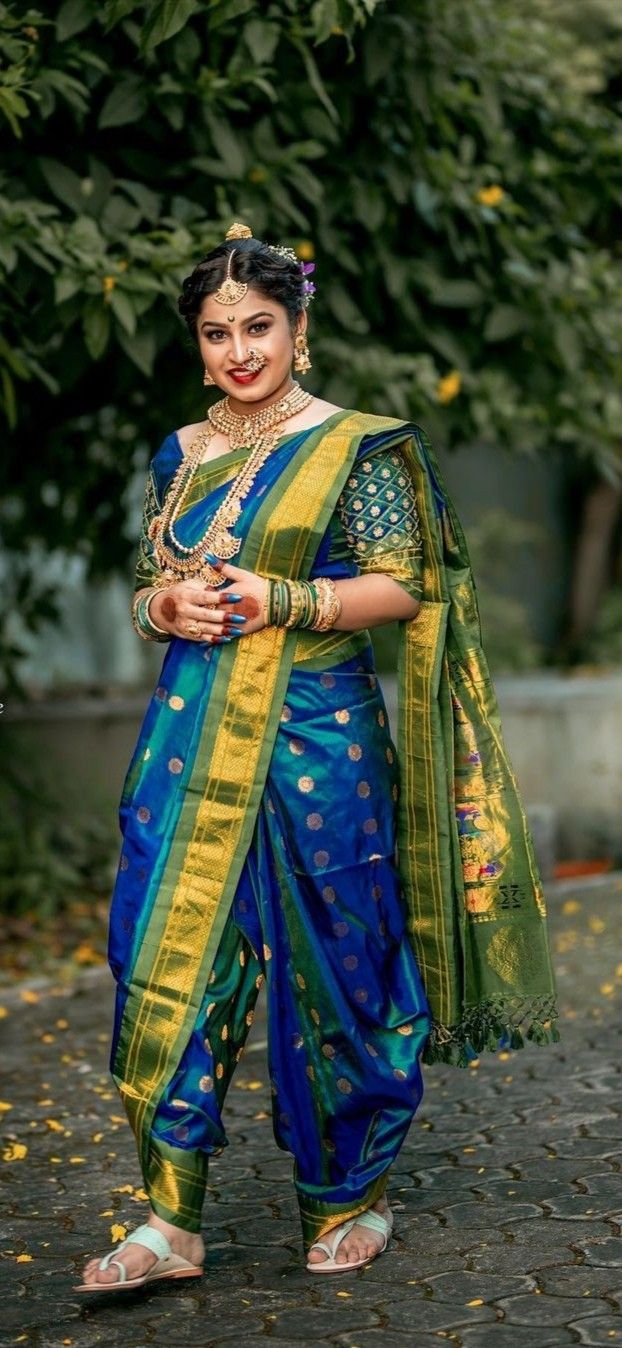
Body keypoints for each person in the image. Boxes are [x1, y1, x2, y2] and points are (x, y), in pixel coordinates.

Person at [76, 222, 558, 1292]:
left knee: (336, 958)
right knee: (162, 955)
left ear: (299, 330)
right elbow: (154, 577)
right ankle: (170, 1218)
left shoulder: (361, 446)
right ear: (196, 342)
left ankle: (350, 1196)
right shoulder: (184, 451)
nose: (237, 351)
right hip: (188, 738)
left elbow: (406, 585)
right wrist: (166, 603)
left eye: (258, 326)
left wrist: (282, 599)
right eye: (215, 332)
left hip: (316, 740)